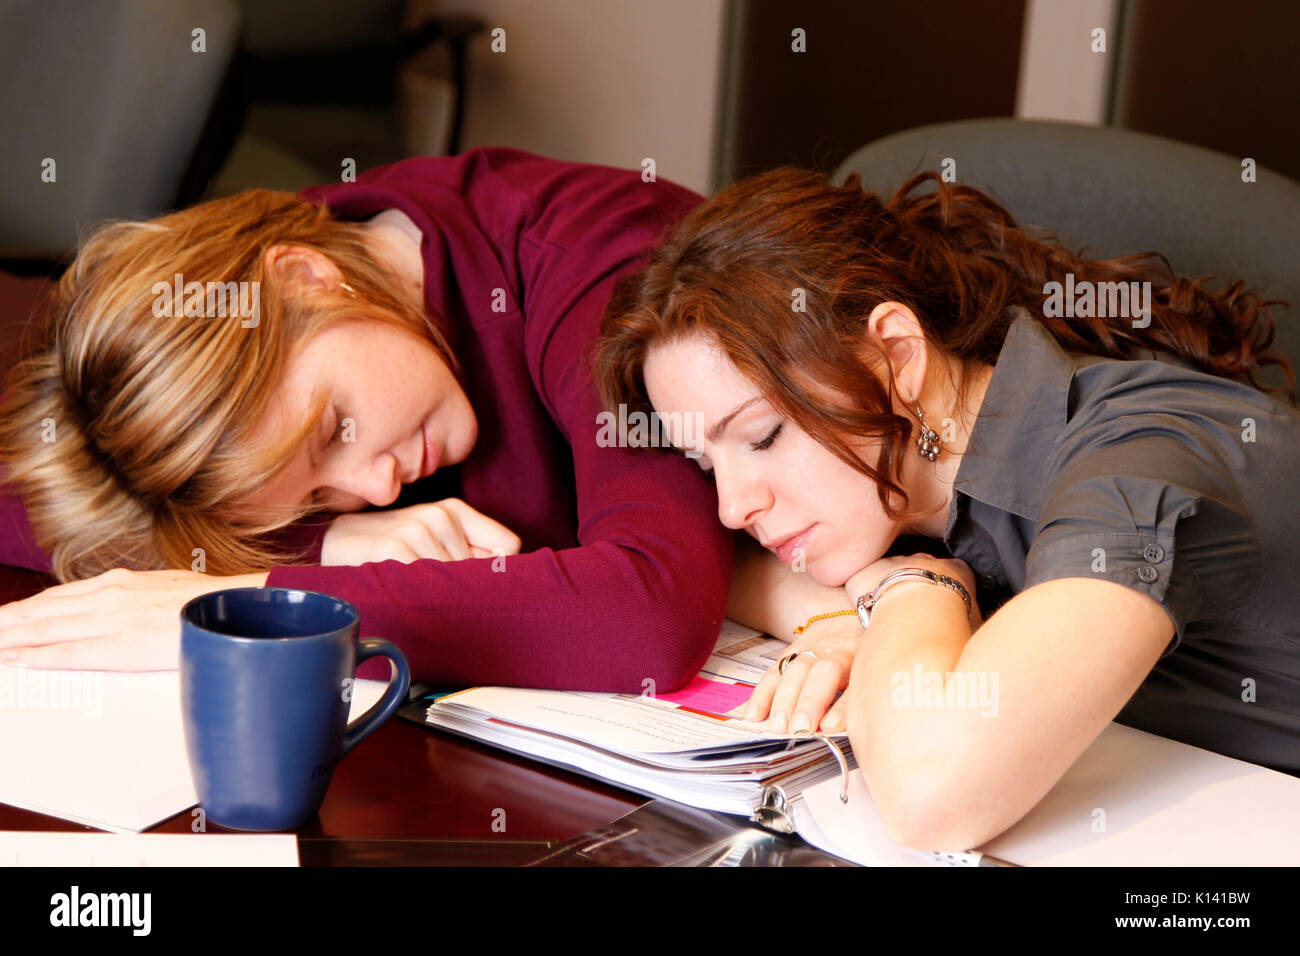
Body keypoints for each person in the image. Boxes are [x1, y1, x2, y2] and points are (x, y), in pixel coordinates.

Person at [593, 165, 1300, 850]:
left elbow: (932, 798)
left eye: (762, 435)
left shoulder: (1135, 467)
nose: (731, 507)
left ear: (898, 356)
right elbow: (719, 574)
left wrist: (911, 591)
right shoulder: (915, 497)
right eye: (707, 463)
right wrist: (854, 606)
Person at [0, 147, 731, 690]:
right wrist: (328, 537)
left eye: (335, 430)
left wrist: (244, 608)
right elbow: (24, 500)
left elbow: (650, 611)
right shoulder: (295, 293)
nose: (378, 489)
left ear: (308, 277)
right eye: (320, 490)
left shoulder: (600, 261)